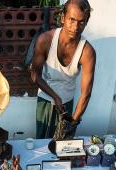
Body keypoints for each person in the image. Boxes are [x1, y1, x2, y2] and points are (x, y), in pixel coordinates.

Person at [31, 0, 96, 139]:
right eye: (71, 20)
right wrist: (55, 97)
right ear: (62, 18)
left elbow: (86, 93)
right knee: (42, 144)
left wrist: (73, 122)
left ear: (87, 22)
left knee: (63, 146)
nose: (75, 27)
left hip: (67, 103)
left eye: (81, 22)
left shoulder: (87, 51)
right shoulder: (46, 40)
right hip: (45, 100)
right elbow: (35, 75)